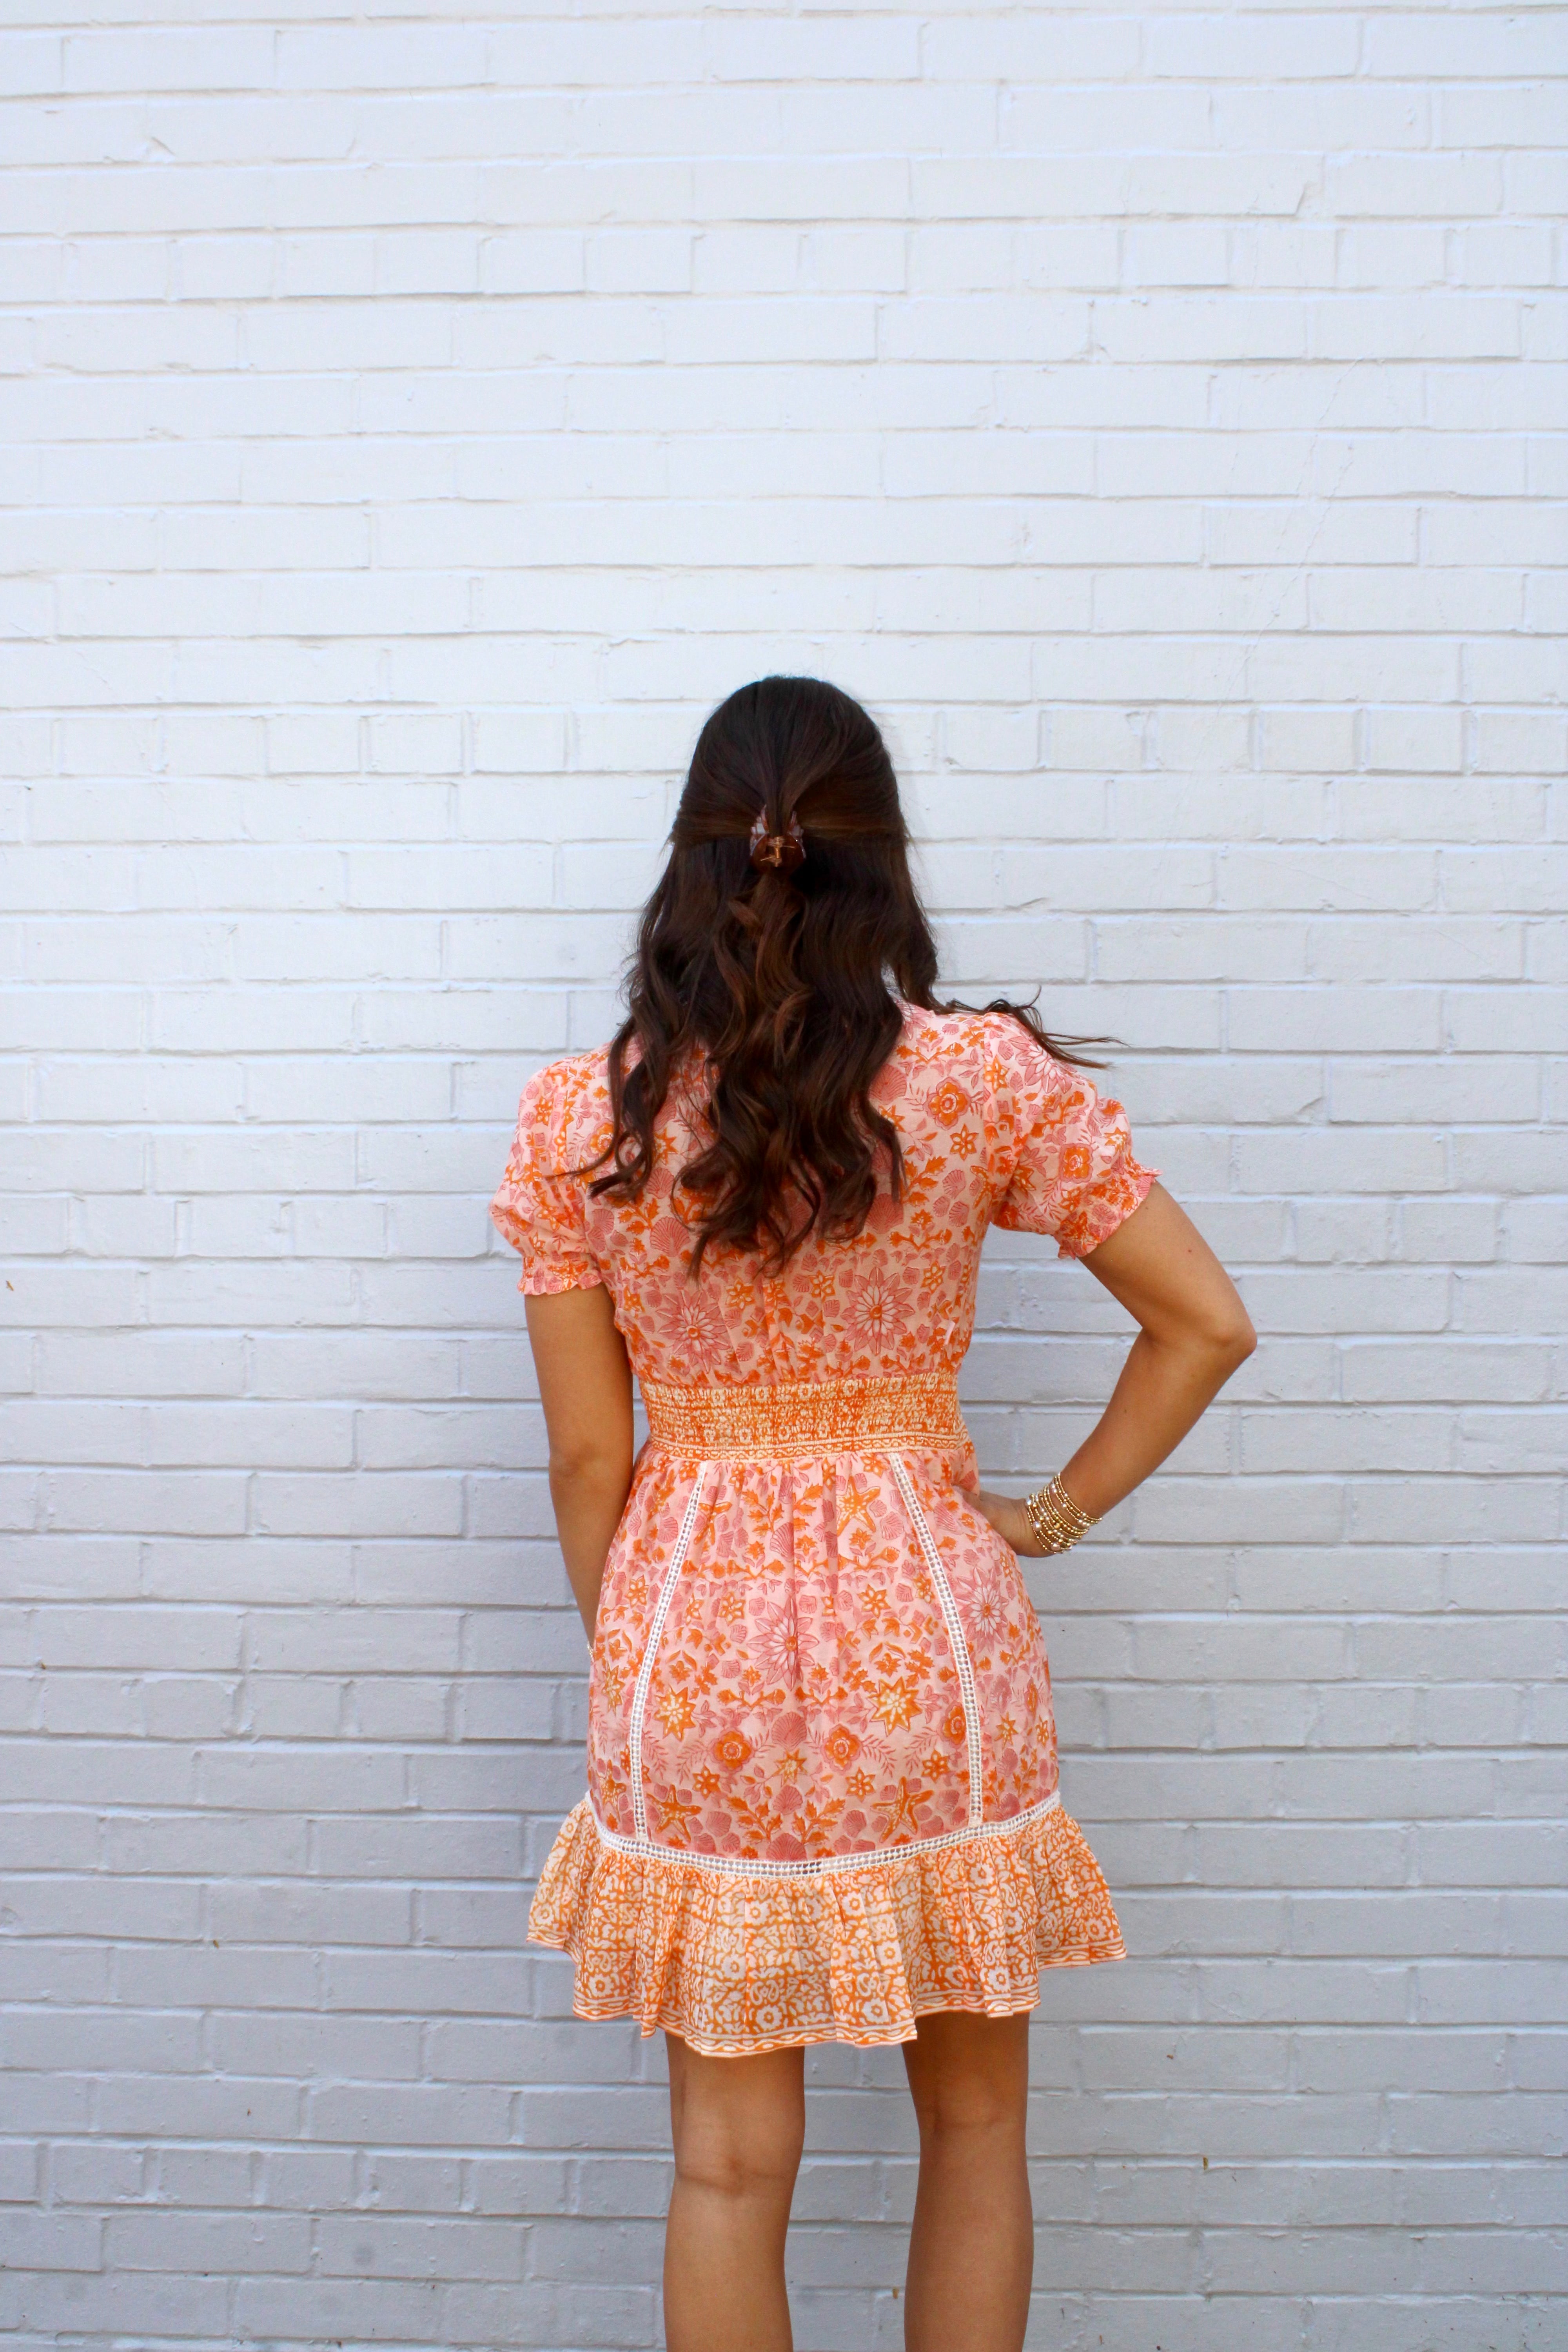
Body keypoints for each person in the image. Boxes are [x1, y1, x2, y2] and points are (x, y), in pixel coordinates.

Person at [490, 676, 1255, 2352]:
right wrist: (1045, 1519)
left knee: (723, 2169)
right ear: (879, 856)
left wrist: (634, 1643)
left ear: (696, 857)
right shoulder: (980, 1081)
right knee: (974, 2127)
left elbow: (582, 1463)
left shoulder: (584, 1121)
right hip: (934, 1643)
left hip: (684, 1649)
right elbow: (1203, 1324)